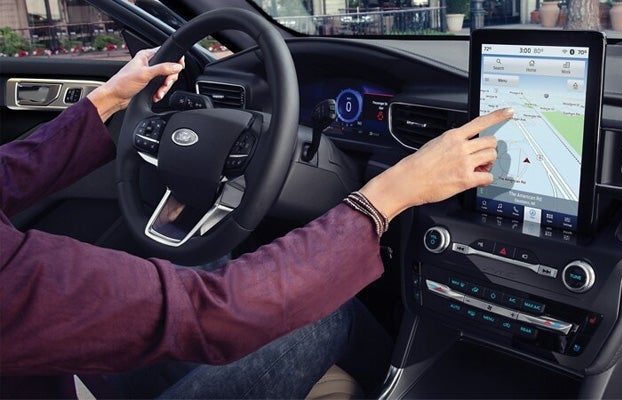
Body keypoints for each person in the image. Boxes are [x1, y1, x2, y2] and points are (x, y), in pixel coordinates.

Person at [0, 48, 513, 398]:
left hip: (50, 368)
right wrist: (387, 197)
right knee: (327, 315)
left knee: (209, 254)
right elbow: (213, 314)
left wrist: (109, 98)